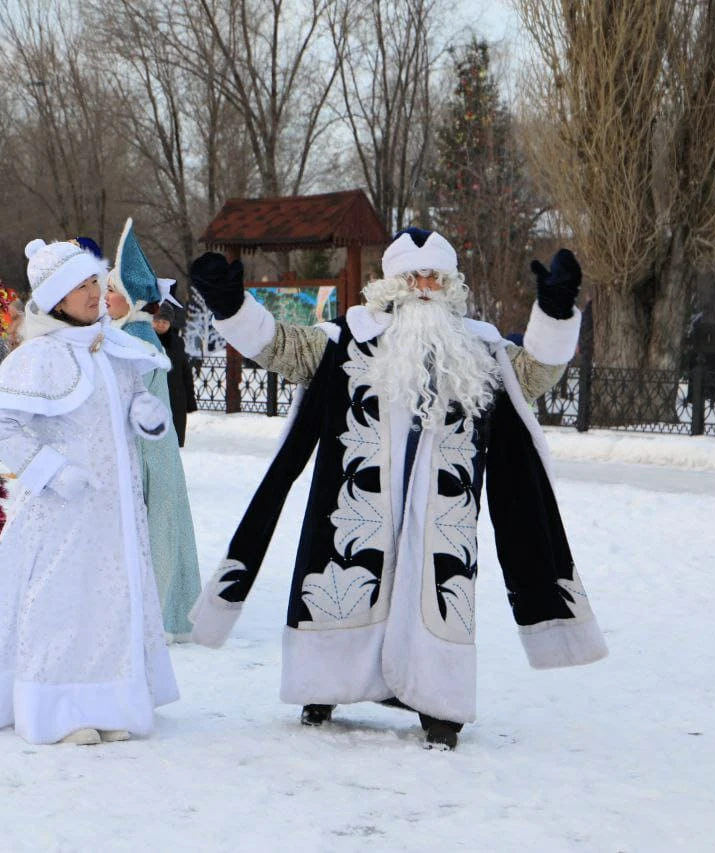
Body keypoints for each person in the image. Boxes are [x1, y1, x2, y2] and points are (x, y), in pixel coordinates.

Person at [185, 228, 608, 750]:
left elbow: (537, 373)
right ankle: (324, 684)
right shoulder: (347, 338)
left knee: (435, 590)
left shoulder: (478, 347)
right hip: (355, 501)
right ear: (392, 282)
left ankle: (438, 703)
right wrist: (232, 307)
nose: (424, 286)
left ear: (451, 283)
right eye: (413, 276)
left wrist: (555, 311)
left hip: (442, 509)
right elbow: (283, 349)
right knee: (345, 581)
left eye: (435, 276)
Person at [0, 237, 178, 746]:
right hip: (62, 512)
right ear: (56, 298)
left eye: (97, 281)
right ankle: (58, 707)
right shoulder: (40, 356)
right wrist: (50, 470)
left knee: (112, 602)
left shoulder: (115, 348)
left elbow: (134, 397)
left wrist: (145, 413)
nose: (96, 293)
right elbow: (1, 426)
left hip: (115, 511)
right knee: (62, 602)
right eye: (83, 286)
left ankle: (109, 699)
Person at [103, 219, 202, 641]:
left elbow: (131, 405)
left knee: (152, 529)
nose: (103, 297)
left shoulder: (137, 338)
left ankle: (157, 613)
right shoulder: (126, 331)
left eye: (110, 290)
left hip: (147, 454)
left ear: (130, 297)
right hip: (147, 452)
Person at [153, 303, 196, 447]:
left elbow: (185, 371)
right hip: (155, 395)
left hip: (176, 397)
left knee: (174, 441)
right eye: (157, 321)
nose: (160, 325)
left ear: (170, 323)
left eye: (164, 322)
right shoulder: (147, 340)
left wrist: (190, 401)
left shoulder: (177, 342)